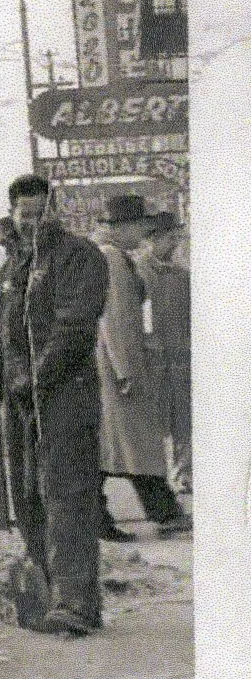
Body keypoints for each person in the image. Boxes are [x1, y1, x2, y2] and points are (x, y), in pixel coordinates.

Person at [0, 173, 111, 636]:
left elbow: (75, 330)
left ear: (54, 213)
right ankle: (49, 593)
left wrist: (34, 381)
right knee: (28, 498)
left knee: (67, 495)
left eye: (41, 213)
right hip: (21, 402)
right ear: (13, 214)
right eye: (24, 214)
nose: (32, 222)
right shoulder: (11, 267)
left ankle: (76, 603)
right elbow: (1, 337)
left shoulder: (80, 256)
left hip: (65, 395)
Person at [93, 192, 186, 538]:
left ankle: (155, 510)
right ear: (123, 227)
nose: (144, 232)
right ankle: (161, 511)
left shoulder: (110, 255)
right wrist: (126, 371)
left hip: (114, 363)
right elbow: (115, 320)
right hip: (119, 365)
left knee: (119, 445)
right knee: (131, 442)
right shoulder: (112, 259)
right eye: (140, 225)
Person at [141, 211, 191, 496]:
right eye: (169, 238)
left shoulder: (183, 277)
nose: (174, 244)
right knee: (153, 423)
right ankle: (155, 481)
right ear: (153, 239)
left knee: (184, 419)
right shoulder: (138, 274)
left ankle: (183, 474)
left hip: (180, 359)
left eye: (176, 238)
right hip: (151, 361)